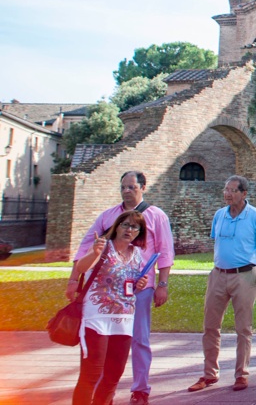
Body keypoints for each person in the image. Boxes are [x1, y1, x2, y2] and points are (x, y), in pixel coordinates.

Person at [67, 171, 174, 405]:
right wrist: (74, 279)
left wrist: (162, 284)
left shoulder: (156, 216)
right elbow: (86, 248)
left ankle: (140, 389)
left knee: (139, 339)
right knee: (99, 354)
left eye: (132, 187)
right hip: (103, 298)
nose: (127, 191)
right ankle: (97, 391)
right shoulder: (108, 216)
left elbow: (165, 252)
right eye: (123, 187)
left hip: (137, 291)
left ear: (143, 188)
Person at [189, 175, 256, 393]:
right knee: (210, 326)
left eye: (233, 190)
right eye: (226, 189)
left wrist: (250, 270)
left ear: (244, 194)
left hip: (244, 275)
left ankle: (241, 375)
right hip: (218, 274)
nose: (227, 193)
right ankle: (209, 374)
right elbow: (218, 241)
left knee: (243, 328)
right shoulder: (220, 215)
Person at [71, 209, 149, 405]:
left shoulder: (137, 254)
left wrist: (139, 285)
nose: (129, 230)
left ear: (139, 232)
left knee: (113, 375)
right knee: (91, 374)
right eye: (125, 225)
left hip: (123, 321)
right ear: (116, 227)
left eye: (134, 227)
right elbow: (81, 268)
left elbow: (131, 286)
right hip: (97, 319)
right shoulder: (102, 246)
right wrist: (95, 253)